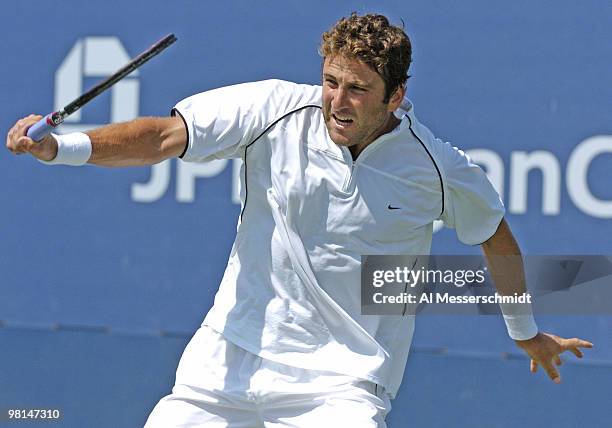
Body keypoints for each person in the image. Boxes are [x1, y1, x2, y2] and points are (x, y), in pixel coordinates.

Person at [6, 13, 593, 428]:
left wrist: (524, 331)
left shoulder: (437, 170)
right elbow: (163, 135)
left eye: (358, 89)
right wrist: (64, 147)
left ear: (396, 96)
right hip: (223, 370)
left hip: (339, 388)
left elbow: (497, 240)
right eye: (331, 81)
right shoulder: (272, 108)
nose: (337, 101)